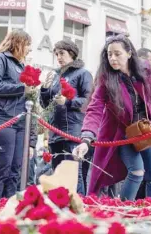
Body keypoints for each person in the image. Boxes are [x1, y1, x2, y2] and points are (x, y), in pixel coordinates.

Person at [73, 34, 151, 201]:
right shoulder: (106, 78)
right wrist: (87, 137)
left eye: (117, 53)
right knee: (136, 171)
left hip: (147, 129)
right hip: (121, 133)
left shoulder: (145, 70)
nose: (112, 58)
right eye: (109, 54)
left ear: (129, 53)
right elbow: (95, 108)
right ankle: (122, 212)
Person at [0, 30, 36, 203]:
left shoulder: (20, 65)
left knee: (15, 172)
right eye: (27, 45)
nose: (29, 49)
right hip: (0, 119)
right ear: (18, 43)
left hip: (18, 122)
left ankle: (8, 213)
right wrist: (21, 87)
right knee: (0, 170)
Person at [40, 39, 93, 195]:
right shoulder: (55, 75)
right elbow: (45, 105)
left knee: (74, 175)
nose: (59, 57)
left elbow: (89, 101)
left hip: (74, 132)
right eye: (56, 54)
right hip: (55, 133)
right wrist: (44, 89)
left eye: (61, 53)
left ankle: (79, 209)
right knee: (58, 175)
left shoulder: (83, 73)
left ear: (72, 53)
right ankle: (61, 209)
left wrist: (68, 102)